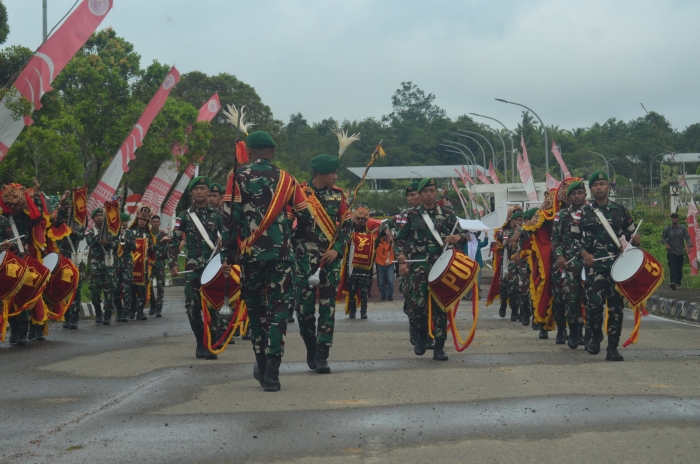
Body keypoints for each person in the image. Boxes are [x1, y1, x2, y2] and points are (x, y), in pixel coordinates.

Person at [227, 131, 313, 391]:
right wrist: (290, 239)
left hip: (250, 255)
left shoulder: (237, 176)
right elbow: (306, 218)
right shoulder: (288, 179)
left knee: (255, 312)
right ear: (273, 152)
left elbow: (230, 220)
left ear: (249, 151)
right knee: (278, 312)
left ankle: (262, 368)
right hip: (281, 256)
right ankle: (273, 374)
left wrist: (231, 255)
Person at [395, 178, 468, 361]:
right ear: (420, 194)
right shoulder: (411, 215)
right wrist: (401, 257)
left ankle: (440, 347)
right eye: (425, 191)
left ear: (437, 193)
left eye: (432, 190)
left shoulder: (448, 213)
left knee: (440, 308)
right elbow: (400, 240)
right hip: (418, 268)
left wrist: (457, 238)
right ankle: (420, 336)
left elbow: (465, 234)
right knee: (417, 306)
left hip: (442, 267)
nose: (429, 194)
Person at [575, 171, 640, 361]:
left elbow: (631, 236)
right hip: (595, 267)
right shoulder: (583, 213)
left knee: (616, 308)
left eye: (602, 184)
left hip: (618, 267)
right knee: (594, 305)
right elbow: (573, 240)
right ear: (591, 189)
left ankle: (613, 347)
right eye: (595, 185)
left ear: (608, 187)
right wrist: (584, 254)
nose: (599, 187)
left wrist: (635, 239)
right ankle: (594, 336)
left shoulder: (620, 210)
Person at [297, 154, 352, 374]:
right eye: (333, 173)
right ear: (320, 174)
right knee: (304, 309)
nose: (336, 177)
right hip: (304, 260)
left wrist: (337, 249)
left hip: (330, 260)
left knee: (328, 308)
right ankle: (310, 347)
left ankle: (322, 355)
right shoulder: (300, 194)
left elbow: (346, 226)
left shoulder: (338, 196)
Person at [169, 176, 229, 361]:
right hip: (193, 269)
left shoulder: (218, 215)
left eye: (204, 188)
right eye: (197, 189)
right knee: (192, 308)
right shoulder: (184, 216)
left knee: (213, 307)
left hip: (213, 269)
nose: (200, 192)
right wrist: (172, 263)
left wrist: (227, 260)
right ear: (192, 193)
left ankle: (211, 343)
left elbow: (227, 240)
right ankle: (200, 342)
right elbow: (175, 240)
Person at [552, 179, 587, 349]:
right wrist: (559, 256)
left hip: (589, 262)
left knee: (590, 299)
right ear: (568, 197)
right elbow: (555, 239)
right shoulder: (562, 215)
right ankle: (573, 330)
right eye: (573, 194)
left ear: (585, 195)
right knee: (571, 299)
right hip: (569, 264)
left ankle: (590, 333)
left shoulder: (592, 212)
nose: (577, 196)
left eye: (580, 193)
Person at [51, 189, 87, 329]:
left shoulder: (79, 224)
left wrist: (73, 231)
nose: (70, 211)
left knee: (76, 290)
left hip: (75, 261)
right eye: (68, 208)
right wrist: (63, 201)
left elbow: (81, 235)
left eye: (72, 208)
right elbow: (58, 221)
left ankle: (74, 318)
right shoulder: (59, 224)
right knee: (63, 289)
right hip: (62, 262)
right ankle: (66, 316)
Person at [487, 206, 523, 321]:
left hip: (521, 263)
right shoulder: (504, 231)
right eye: (516, 220)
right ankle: (503, 305)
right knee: (506, 287)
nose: (518, 222)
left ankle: (516, 311)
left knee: (520, 287)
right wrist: (517, 233)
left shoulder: (525, 231)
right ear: (511, 220)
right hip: (507, 262)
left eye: (520, 220)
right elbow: (507, 242)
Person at [86, 207, 118, 325]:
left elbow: (117, 243)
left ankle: (108, 314)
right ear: (93, 218)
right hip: (95, 265)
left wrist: (109, 242)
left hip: (109, 264)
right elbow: (90, 242)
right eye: (97, 216)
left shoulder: (111, 231)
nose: (100, 217)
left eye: (102, 215)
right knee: (94, 290)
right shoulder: (90, 231)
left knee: (109, 290)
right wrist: (99, 237)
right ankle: (98, 312)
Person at [343, 207, 375, 319]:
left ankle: (363, 311)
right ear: (355, 218)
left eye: (363, 219)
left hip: (365, 266)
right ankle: (352, 311)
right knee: (352, 290)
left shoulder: (369, 232)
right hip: (351, 265)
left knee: (364, 291)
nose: (361, 220)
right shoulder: (349, 230)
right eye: (359, 218)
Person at [113, 213, 135, 323]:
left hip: (127, 264)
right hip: (115, 265)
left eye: (127, 221)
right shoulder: (112, 233)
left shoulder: (130, 233)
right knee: (115, 289)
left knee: (127, 289)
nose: (126, 223)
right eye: (124, 221)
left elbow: (133, 247)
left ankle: (126, 312)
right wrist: (117, 237)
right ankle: (119, 311)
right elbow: (110, 246)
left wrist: (125, 238)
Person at [661, 212, 692, 290]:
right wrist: (666, 244)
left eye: (675, 218)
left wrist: (689, 246)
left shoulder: (682, 228)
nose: (674, 219)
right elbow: (663, 238)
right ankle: (673, 282)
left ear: (678, 219)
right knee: (672, 267)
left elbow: (687, 237)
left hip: (680, 251)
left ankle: (678, 283)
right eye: (673, 218)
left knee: (679, 268)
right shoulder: (667, 229)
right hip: (671, 252)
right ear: (671, 219)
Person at [148, 215, 169, 317]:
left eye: (157, 222)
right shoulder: (148, 234)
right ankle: (153, 304)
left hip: (160, 263)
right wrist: (160, 242)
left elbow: (167, 249)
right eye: (154, 222)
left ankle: (159, 308)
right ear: (151, 223)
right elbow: (149, 249)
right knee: (149, 285)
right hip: (150, 264)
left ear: (159, 223)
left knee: (161, 286)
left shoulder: (163, 234)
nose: (156, 223)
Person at [375, 220, 395, 302]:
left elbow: (395, 241)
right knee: (381, 282)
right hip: (380, 263)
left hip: (389, 263)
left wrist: (390, 234)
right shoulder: (377, 242)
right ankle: (383, 295)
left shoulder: (391, 242)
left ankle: (390, 295)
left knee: (390, 281)